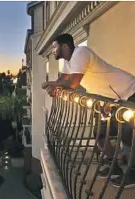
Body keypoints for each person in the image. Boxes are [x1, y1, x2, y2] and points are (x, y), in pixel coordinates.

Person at [42, 33, 135, 187]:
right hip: (111, 99)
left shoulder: (81, 52)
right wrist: (54, 86)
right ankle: (114, 167)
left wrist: (49, 84)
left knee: (128, 134)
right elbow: (62, 80)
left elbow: (72, 83)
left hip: (129, 92)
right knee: (100, 134)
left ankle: (132, 174)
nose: (53, 50)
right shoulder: (68, 61)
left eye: (54, 46)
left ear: (64, 46)